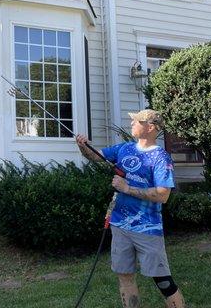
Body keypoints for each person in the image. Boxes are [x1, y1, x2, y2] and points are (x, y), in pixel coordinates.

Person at [75, 109, 186, 308]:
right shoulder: (124, 148)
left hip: (147, 229)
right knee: (125, 277)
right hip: (120, 226)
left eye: (137, 120)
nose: (132, 123)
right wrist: (83, 146)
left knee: (163, 282)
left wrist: (127, 188)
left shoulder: (161, 157)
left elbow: (163, 195)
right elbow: (95, 157)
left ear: (150, 127)